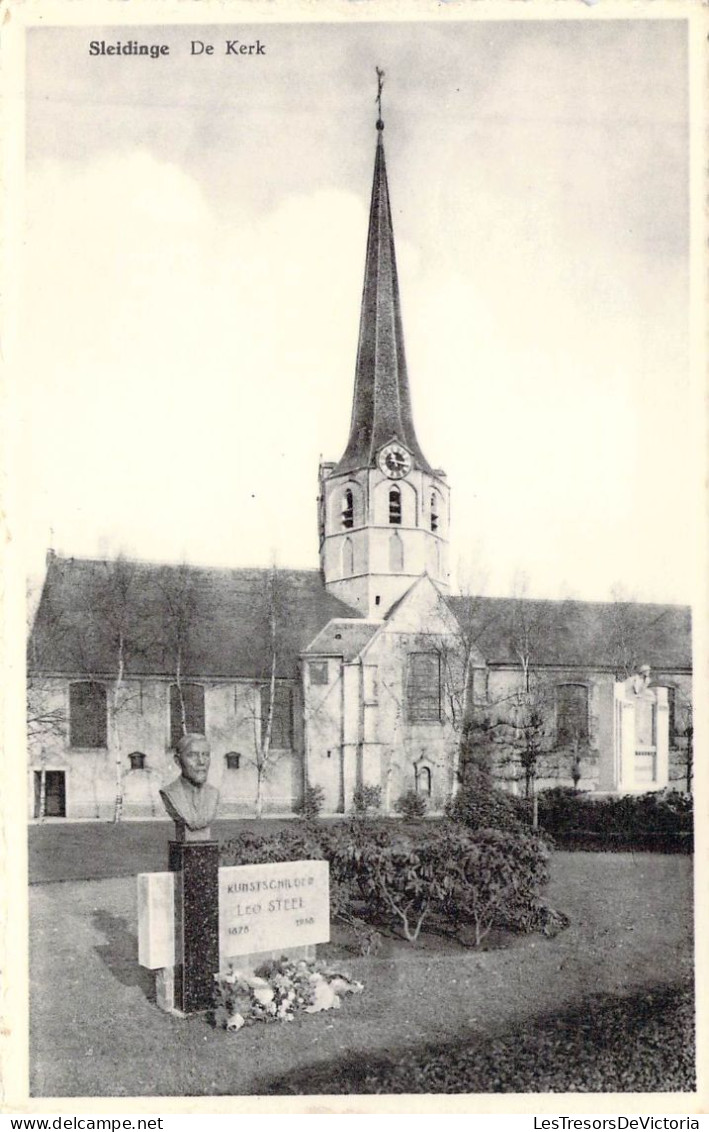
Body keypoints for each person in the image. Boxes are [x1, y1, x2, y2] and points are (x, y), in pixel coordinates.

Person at [159, 733, 219, 840]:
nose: (201, 762)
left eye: (205, 755)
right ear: (177, 761)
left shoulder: (214, 794)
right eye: (193, 755)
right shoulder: (170, 793)